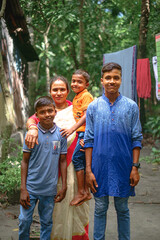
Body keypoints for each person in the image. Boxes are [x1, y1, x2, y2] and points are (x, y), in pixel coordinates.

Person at [25, 76, 90, 239]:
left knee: (75, 207)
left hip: (75, 168)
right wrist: (32, 128)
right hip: (53, 169)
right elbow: (31, 119)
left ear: (68, 91)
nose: (59, 93)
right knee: (55, 210)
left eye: (62, 89)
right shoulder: (47, 110)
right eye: (55, 89)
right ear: (50, 91)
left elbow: (88, 126)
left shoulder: (76, 109)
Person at [84, 62, 143, 240]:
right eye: (108, 78)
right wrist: (88, 170)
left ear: (120, 80)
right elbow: (88, 140)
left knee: (122, 208)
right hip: (98, 167)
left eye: (115, 78)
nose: (112, 81)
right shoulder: (93, 107)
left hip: (124, 166)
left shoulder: (131, 106)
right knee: (100, 208)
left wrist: (135, 167)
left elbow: (136, 138)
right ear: (101, 81)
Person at [19, 96, 67, 240]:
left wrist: (64, 185)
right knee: (24, 221)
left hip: (49, 189)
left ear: (55, 111)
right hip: (31, 188)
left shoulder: (61, 135)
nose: (47, 114)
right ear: (37, 115)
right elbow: (24, 162)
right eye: (42, 112)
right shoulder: (31, 135)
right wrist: (23, 188)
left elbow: (63, 161)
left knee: (46, 223)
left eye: (49, 111)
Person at [61, 69, 93, 206]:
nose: (75, 84)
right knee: (79, 159)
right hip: (81, 133)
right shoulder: (77, 97)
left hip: (86, 132)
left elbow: (86, 116)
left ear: (87, 84)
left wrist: (72, 129)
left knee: (77, 159)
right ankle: (84, 191)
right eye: (73, 81)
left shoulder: (85, 96)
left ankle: (82, 192)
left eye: (79, 82)